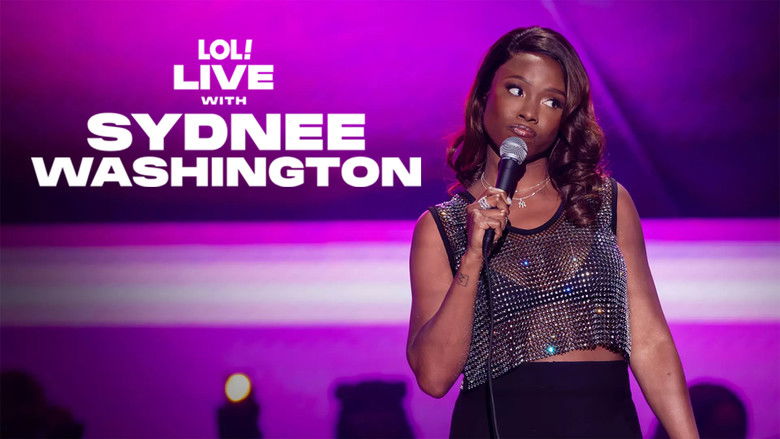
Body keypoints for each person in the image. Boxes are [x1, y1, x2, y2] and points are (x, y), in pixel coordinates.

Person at [405, 26, 699, 438]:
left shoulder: (605, 203)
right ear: (483, 98)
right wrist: (473, 256)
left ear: (565, 118)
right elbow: (434, 377)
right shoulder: (443, 226)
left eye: (552, 101)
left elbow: (649, 339)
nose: (530, 112)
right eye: (516, 90)